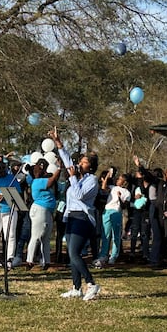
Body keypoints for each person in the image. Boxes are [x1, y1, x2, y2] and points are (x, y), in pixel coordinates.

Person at [53, 129, 101, 301]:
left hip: (83, 218)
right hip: (71, 217)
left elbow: (80, 195)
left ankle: (91, 283)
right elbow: (67, 161)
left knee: (74, 253)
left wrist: (73, 178)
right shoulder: (77, 177)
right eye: (81, 160)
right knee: (72, 254)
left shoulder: (91, 180)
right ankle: (76, 287)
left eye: (85, 162)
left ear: (91, 166)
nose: (80, 163)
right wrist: (59, 143)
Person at [26, 158, 60, 269]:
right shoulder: (38, 181)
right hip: (40, 210)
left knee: (45, 238)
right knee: (36, 236)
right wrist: (59, 168)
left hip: (47, 211)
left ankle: (46, 262)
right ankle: (29, 260)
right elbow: (52, 180)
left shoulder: (40, 181)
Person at [97, 170, 131, 267]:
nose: (118, 180)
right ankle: (103, 255)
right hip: (107, 211)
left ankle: (114, 256)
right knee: (105, 235)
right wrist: (107, 177)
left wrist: (120, 197)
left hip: (116, 212)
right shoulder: (113, 187)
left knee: (115, 235)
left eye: (120, 179)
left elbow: (125, 206)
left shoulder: (127, 192)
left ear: (124, 182)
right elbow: (103, 188)